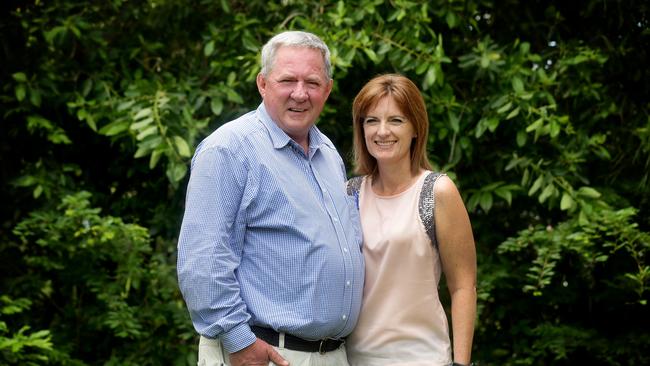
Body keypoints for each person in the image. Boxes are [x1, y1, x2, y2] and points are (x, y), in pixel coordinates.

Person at [177, 30, 365, 366]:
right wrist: (238, 341)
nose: (300, 93)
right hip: (264, 354)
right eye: (287, 80)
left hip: (331, 355)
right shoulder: (230, 149)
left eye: (312, 82)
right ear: (263, 84)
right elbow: (203, 260)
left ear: (328, 89)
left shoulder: (329, 154)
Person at [345, 74, 477, 366]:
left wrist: (461, 363)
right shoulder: (350, 194)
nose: (382, 131)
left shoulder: (437, 191)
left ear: (416, 127)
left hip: (422, 357)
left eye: (396, 120)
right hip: (354, 359)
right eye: (371, 121)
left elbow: (463, 287)